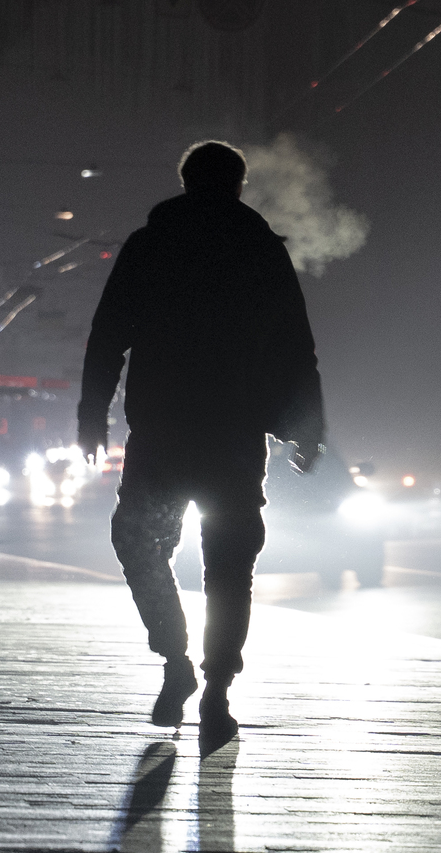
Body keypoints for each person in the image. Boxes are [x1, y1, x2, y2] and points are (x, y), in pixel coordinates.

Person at [79, 140, 326, 744]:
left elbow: (108, 331)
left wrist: (93, 413)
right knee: (229, 567)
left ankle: (175, 660)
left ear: (185, 182)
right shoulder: (261, 250)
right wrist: (308, 427)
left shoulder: (150, 244)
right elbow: (296, 344)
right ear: (239, 186)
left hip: (161, 432)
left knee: (138, 542)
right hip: (235, 438)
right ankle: (217, 691)